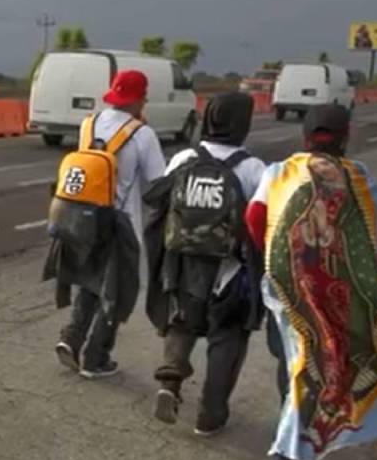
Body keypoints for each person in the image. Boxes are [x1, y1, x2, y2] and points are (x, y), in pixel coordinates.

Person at [245, 104, 377, 460]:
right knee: (323, 372)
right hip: (339, 298)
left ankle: (288, 444)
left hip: (286, 289)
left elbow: (255, 218)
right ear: (345, 135)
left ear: (305, 135)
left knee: (302, 365)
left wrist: (278, 257)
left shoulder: (278, 171)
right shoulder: (361, 179)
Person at [144, 92, 266, 435]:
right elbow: (261, 225)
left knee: (182, 323)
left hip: (182, 266)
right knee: (227, 338)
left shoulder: (184, 157)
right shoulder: (253, 168)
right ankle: (210, 416)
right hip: (229, 270)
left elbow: (161, 206)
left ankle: (170, 381)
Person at [47, 70, 166, 379]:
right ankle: (96, 358)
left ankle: (70, 338)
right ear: (140, 99)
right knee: (118, 290)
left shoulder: (89, 123)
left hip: (79, 217)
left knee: (90, 282)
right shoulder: (142, 134)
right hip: (119, 223)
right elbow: (157, 185)